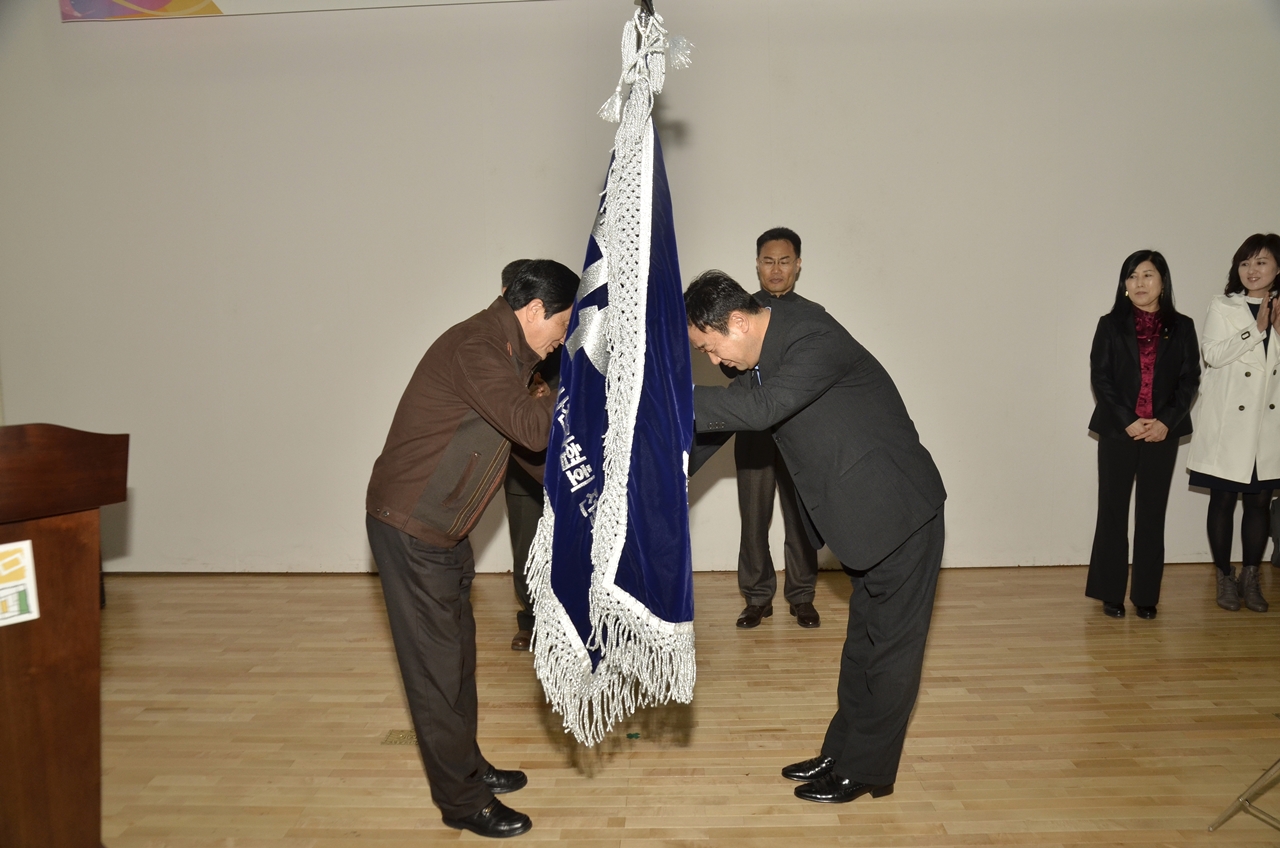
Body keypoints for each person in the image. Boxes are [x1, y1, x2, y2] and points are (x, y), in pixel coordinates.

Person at [685, 271, 946, 804]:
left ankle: (869, 770)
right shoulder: (763, 349)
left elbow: (758, 412)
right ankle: (842, 752)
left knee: (891, 655)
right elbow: (729, 416)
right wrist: (664, 476)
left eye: (710, 347)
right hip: (864, 520)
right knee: (863, 648)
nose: (713, 360)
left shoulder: (812, 337)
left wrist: (666, 400)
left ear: (737, 322)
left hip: (899, 513)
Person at [365, 259, 579, 839]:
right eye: (563, 324)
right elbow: (531, 427)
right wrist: (582, 383)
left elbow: (526, 449)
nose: (563, 339)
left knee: (456, 660)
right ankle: (461, 802)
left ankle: (468, 766)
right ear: (534, 310)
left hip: (443, 528)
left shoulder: (507, 354)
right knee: (434, 673)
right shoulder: (477, 347)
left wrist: (584, 495)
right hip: (412, 526)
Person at [1084, 250, 1200, 619]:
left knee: (1152, 513)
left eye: (1147, 275)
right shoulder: (1109, 325)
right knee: (1112, 512)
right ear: (1124, 284)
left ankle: (1147, 596)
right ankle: (1110, 592)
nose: (1139, 283)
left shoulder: (1182, 326)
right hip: (1119, 432)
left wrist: (1165, 421)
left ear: (1162, 282)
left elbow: (1190, 379)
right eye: (1132, 276)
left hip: (1162, 434)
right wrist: (1127, 420)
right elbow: (1101, 377)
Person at [731, 227, 822, 629]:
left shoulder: (813, 314)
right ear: (757, 264)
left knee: (800, 518)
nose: (776, 269)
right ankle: (756, 598)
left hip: (799, 430)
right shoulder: (740, 313)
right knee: (753, 519)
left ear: (798, 265)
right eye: (768, 261)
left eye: (784, 261)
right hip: (753, 430)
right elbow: (728, 365)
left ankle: (802, 597)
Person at [1186, 233, 1280, 613]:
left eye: (1261, 262)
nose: (1251, 270)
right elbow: (1212, 354)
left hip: (1267, 427)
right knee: (1223, 500)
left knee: (1259, 503)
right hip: (1229, 425)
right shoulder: (1223, 305)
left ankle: (1251, 577)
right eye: (1245, 262)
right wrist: (1255, 329)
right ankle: (1225, 576)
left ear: (1278, 268)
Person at [498, 259, 560, 652]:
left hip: (564, 460)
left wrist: (548, 396)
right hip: (521, 466)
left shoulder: (560, 335)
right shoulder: (494, 345)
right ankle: (531, 620)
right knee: (525, 546)